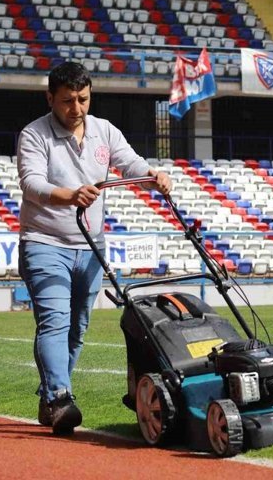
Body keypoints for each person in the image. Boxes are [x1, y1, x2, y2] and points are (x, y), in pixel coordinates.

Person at [17, 61, 171, 435]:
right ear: (50, 97)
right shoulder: (34, 134)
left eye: (83, 99)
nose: (76, 108)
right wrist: (69, 195)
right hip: (44, 242)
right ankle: (59, 396)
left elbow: (130, 163)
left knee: (78, 327)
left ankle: (52, 395)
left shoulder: (104, 130)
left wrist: (152, 175)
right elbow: (31, 183)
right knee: (55, 321)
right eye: (68, 101)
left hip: (90, 246)